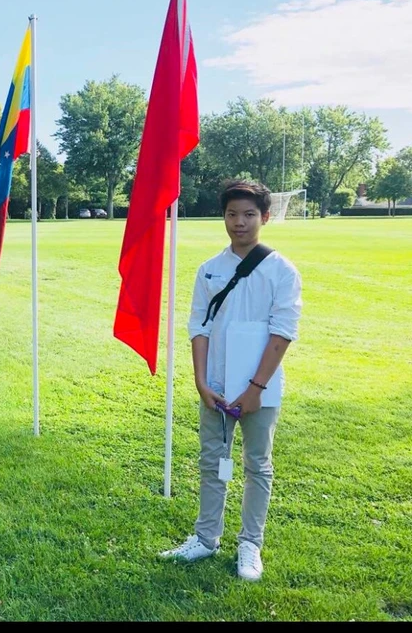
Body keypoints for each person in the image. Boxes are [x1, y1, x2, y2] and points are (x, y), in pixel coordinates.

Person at [160, 179, 302, 582]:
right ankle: (206, 538)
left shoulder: (281, 270)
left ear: (265, 217)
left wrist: (255, 389)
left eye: (249, 214)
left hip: (261, 390)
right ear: (223, 216)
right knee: (212, 462)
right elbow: (198, 326)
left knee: (258, 465)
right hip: (217, 388)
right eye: (232, 214)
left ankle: (250, 545)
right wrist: (202, 382)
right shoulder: (209, 269)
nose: (239, 222)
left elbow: (283, 331)